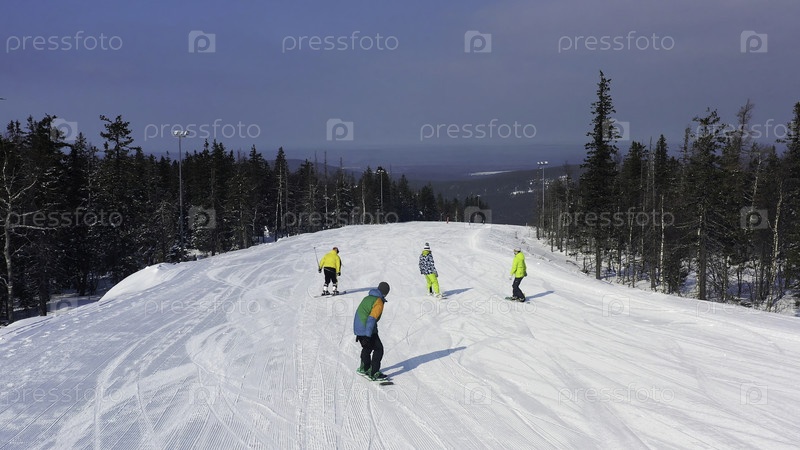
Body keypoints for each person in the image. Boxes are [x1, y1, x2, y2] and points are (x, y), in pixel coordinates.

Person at [353, 282, 390, 381]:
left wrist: (360, 332)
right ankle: (374, 373)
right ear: (386, 293)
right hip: (366, 329)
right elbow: (372, 318)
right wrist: (367, 335)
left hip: (359, 327)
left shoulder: (368, 298)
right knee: (379, 348)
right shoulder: (378, 301)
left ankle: (364, 368)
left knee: (367, 347)